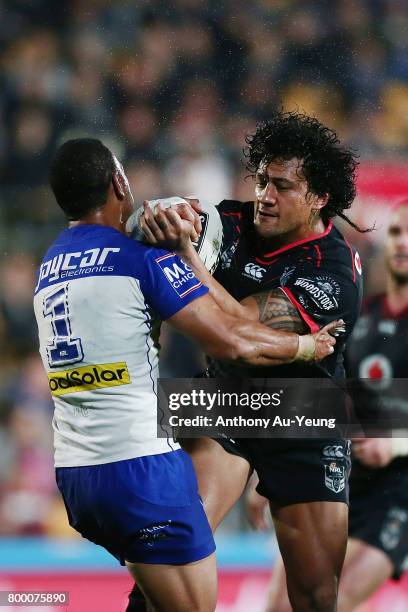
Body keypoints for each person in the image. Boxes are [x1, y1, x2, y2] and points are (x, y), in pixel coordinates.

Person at [33, 138, 338, 612]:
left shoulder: (49, 265)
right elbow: (236, 338)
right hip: (141, 468)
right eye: (263, 183)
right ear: (119, 183)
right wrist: (305, 345)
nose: (265, 195)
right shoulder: (142, 259)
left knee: (154, 594)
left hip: (76, 474)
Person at [138, 111, 364, 612]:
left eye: (282, 186)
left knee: (314, 593)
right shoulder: (230, 221)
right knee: (172, 542)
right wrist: (159, 217)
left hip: (305, 414)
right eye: (261, 180)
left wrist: (189, 260)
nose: (264, 195)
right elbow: (170, 221)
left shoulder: (333, 274)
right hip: (227, 398)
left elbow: (240, 324)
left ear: (319, 198)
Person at [246, 202, 408, 611]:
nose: (402, 243)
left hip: (399, 495)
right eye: (395, 233)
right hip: (341, 474)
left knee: (336, 601)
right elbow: (318, 396)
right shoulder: (358, 313)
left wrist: (396, 443)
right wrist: (263, 469)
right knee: (281, 606)